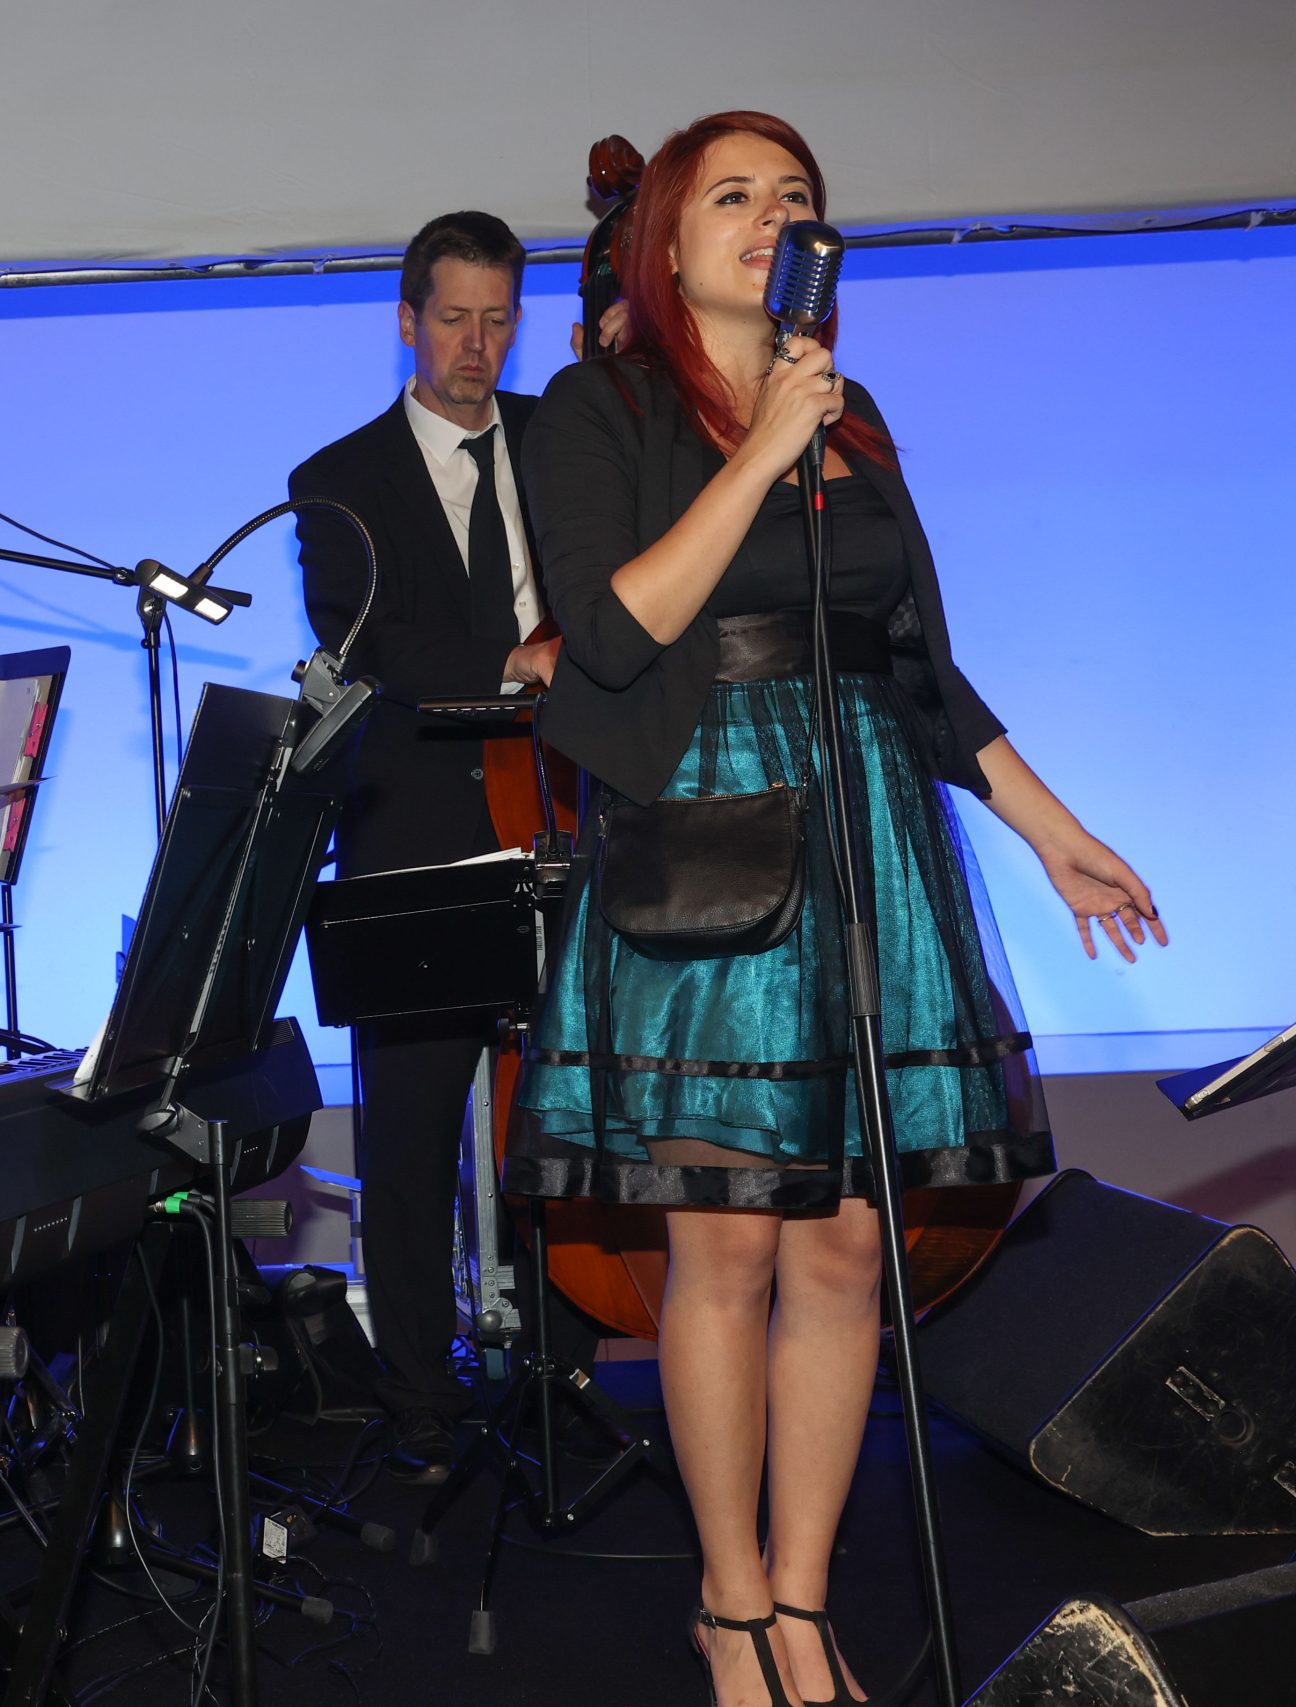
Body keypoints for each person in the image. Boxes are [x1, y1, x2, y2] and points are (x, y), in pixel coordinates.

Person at [505, 112, 1165, 1707]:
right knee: (724, 1237)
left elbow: (919, 658)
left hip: (868, 823)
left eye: (794, 196)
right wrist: (757, 449)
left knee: (851, 1241)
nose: (772, 215)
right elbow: (613, 631)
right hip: (709, 831)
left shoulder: (851, 414)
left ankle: (802, 1598)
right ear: (664, 243)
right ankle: (728, 1603)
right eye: (733, 194)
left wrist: (1054, 829)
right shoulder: (602, 406)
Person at [289, 211, 599, 1480]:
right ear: (406, 321)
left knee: (571, 1113)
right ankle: (419, 1390)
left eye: (498, 319)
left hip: (566, 813)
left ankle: (566, 1365)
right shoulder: (336, 479)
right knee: (410, 1133)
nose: (477, 345)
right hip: (412, 835)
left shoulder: (562, 441)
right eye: (454, 319)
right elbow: (369, 644)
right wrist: (516, 662)